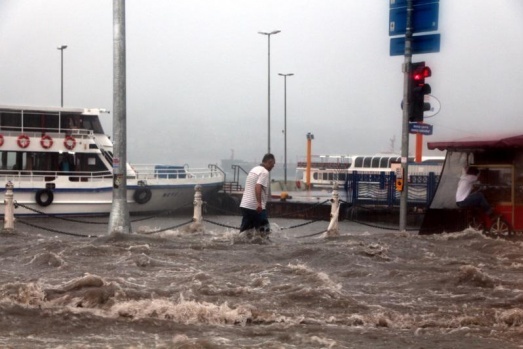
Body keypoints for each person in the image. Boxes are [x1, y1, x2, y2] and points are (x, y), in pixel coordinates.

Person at [239, 153, 276, 237]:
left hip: (245, 205)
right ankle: (266, 249)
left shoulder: (254, 169)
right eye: (272, 165)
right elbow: (258, 186)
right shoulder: (264, 172)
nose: (272, 167)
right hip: (256, 208)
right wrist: (259, 203)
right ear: (269, 162)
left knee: (245, 232)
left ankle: (239, 246)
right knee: (265, 231)